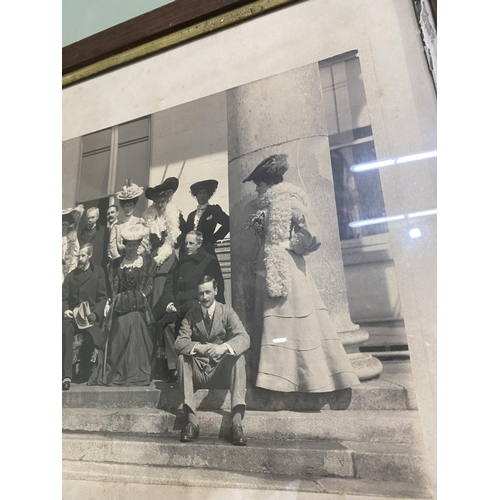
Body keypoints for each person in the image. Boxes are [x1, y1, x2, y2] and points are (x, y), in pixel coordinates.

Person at [243, 153, 360, 393]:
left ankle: (304, 379)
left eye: (260, 185)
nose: (257, 190)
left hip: (287, 269)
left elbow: (312, 231)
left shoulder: (289, 201)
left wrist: (291, 245)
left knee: (292, 320)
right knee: (275, 324)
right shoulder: (268, 205)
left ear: (270, 183)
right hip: (268, 269)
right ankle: (275, 378)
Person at [175, 276, 250, 445]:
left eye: (208, 292)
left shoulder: (227, 311)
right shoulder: (191, 315)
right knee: (181, 359)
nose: (205, 297)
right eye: (201, 293)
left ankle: (236, 423)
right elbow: (179, 343)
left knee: (239, 357)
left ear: (215, 291)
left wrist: (223, 347)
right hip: (199, 373)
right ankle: (191, 422)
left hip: (220, 371)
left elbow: (244, 338)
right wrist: (199, 347)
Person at [88, 224, 156, 387]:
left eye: (134, 245)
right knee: (120, 325)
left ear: (139, 245)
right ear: (124, 245)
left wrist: (139, 296)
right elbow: (113, 290)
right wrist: (114, 301)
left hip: (139, 308)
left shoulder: (147, 262)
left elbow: (149, 286)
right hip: (119, 308)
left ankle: (135, 371)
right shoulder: (115, 265)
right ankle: (118, 370)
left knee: (134, 321)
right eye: (129, 245)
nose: (131, 248)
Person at [152, 231, 225, 379]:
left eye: (191, 243)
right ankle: (175, 368)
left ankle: (197, 366)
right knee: (168, 326)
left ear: (199, 244)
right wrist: (170, 302)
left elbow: (218, 288)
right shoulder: (179, 263)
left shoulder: (209, 261)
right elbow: (169, 286)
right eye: (185, 243)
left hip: (198, 307)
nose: (187, 246)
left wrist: (205, 303)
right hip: (179, 307)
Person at [62, 243, 108, 390]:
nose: (80, 258)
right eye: (78, 256)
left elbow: (102, 297)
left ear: (90, 256)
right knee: (67, 328)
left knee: (91, 334)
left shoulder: (98, 272)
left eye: (83, 255)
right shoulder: (71, 276)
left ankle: (85, 370)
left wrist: (95, 314)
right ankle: (66, 375)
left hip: (90, 316)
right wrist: (65, 310)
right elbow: (63, 298)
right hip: (73, 316)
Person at [142, 177, 187, 306]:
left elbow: (181, 236)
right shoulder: (149, 218)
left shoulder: (175, 214)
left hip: (169, 257)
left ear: (167, 200)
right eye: (157, 202)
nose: (160, 205)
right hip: (152, 257)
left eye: (162, 201)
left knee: (163, 286)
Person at [185, 179, 230, 256]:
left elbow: (228, 222)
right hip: (192, 252)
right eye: (199, 193)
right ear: (196, 195)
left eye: (205, 193)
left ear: (209, 195)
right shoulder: (191, 215)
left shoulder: (213, 210)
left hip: (206, 251)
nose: (202, 196)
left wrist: (213, 239)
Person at [108, 180, 146, 260]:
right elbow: (112, 245)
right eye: (126, 206)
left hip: (136, 260)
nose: (128, 208)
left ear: (134, 206)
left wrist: (135, 257)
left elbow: (144, 242)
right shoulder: (117, 226)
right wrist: (118, 259)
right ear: (122, 207)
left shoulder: (139, 222)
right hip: (121, 261)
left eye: (131, 205)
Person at [62, 205, 84, 282]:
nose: (63, 227)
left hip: (67, 266)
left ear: (68, 226)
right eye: (61, 225)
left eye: (65, 225)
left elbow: (75, 253)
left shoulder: (72, 237)